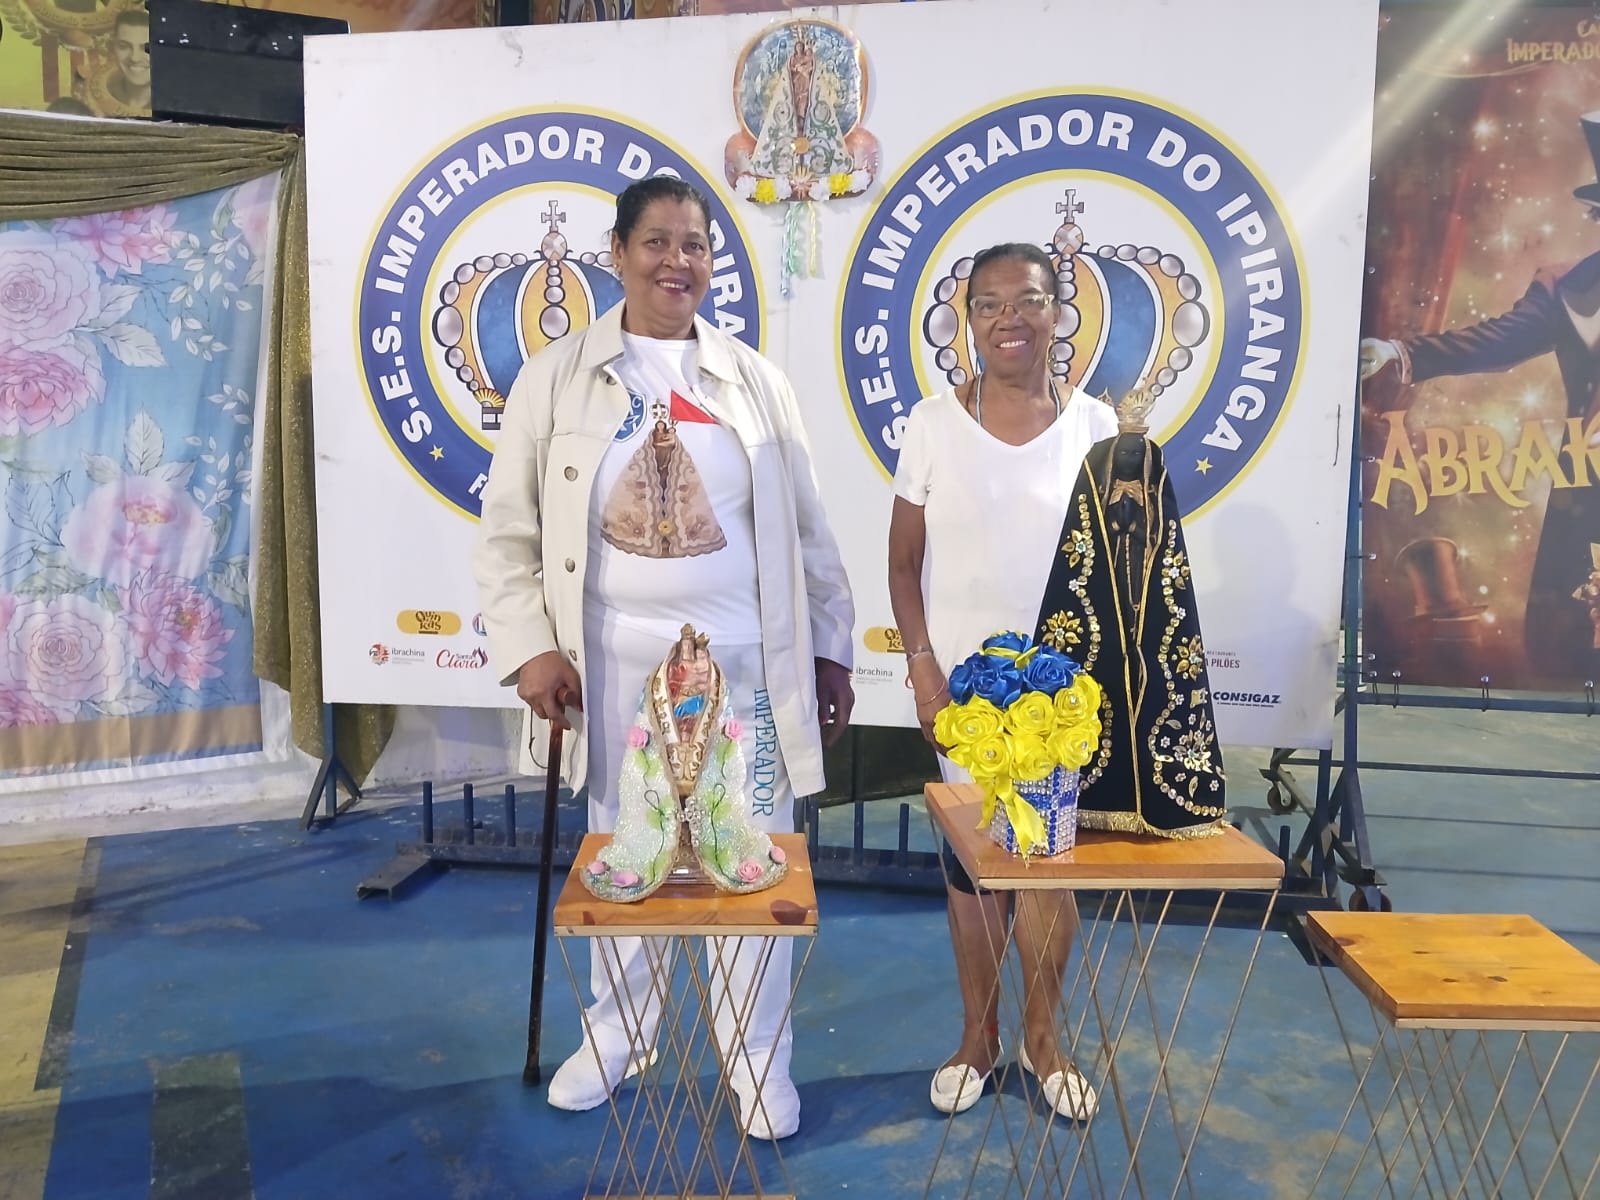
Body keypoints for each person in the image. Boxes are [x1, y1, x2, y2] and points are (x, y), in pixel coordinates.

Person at [472, 176, 854, 1140]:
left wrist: (833, 653)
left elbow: (810, 534)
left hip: (746, 673)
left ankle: (757, 1058)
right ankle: (617, 1037)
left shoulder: (757, 383)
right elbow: (507, 531)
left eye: (695, 245)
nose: (677, 262)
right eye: (656, 242)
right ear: (617, 251)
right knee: (628, 856)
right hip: (612, 672)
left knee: (748, 859)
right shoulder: (556, 377)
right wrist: (530, 653)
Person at [886, 242, 1116, 1119]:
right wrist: (923, 672)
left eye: (1027, 300)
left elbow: (1120, 581)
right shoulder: (930, 425)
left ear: (1059, 313)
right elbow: (904, 568)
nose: (1008, 319)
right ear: (965, 320)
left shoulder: (1099, 431)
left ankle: (1044, 1039)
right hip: (964, 705)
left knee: (1047, 870)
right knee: (972, 873)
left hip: (1063, 707)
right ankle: (978, 1039)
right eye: (988, 304)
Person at [1358, 111, 1600, 680]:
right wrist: (1397, 351)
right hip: (1588, 482)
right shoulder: (1567, 285)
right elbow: (1498, 341)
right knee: (1570, 631)